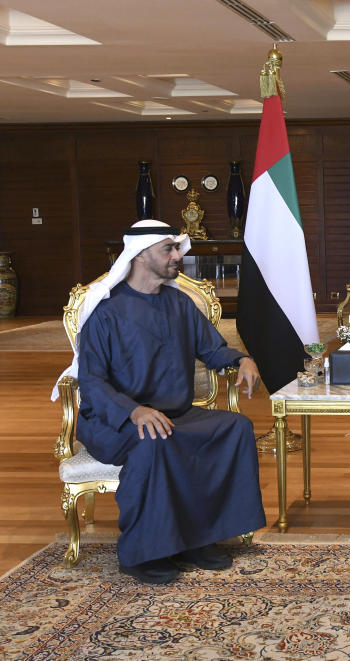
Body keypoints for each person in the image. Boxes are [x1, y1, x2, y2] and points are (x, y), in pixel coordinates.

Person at [55, 219, 267, 585]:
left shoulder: (179, 304)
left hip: (174, 412)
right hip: (114, 420)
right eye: (167, 249)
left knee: (235, 428)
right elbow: (92, 380)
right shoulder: (106, 312)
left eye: (175, 249)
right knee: (154, 439)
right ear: (139, 256)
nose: (176, 256)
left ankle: (198, 540)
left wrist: (240, 360)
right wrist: (134, 410)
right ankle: (143, 553)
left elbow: (212, 348)